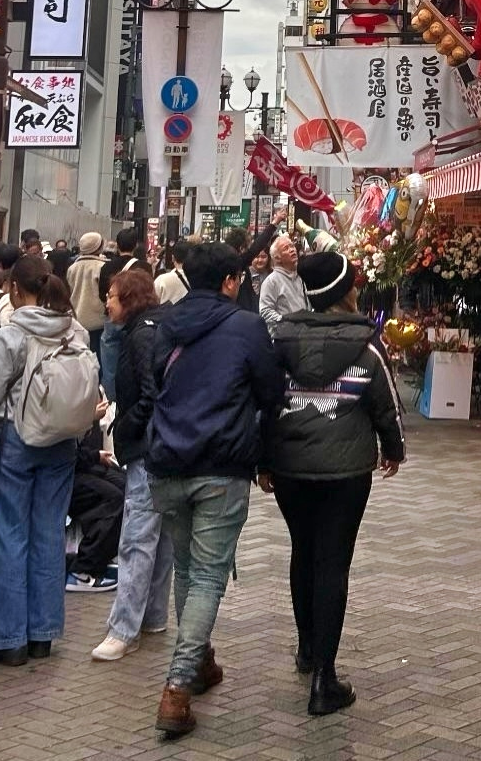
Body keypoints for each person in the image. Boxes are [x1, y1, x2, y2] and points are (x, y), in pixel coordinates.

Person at [146, 243, 283, 737]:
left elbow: (151, 386)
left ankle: (199, 663)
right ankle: (178, 688)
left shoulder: (166, 323)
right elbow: (271, 392)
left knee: (187, 569)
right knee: (206, 577)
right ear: (229, 281)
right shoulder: (246, 326)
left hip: (167, 461)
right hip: (221, 463)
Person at [260, 250, 405, 716]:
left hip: (289, 468)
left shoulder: (280, 343)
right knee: (333, 562)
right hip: (346, 472)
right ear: (345, 292)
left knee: (303, 551)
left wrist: (262, 458)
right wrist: (394, 449)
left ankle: (306, 649)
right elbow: (387, 407)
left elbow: (262, 401)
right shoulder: (367, 346)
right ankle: (325, 677)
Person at [0, 255, 93, 665]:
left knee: (8, 533)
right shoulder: (75, 332)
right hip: (61, 441)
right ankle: (42, 633)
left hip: (17, 438)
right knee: (48, 532)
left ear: (15, 289)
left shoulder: (11, 335)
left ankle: (5, 640)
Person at [91, 270, 173, 662]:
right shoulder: (154, 327)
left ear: (130, 299)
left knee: (137, 537)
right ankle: (153, 615)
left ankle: (124, 628)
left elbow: (149, 393)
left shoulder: (141, 335)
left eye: (112, 295)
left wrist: (128, 424)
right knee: (162, 537)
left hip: (146, 447)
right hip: (166, 447)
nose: (107, 303)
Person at [65, 416, 124, 593]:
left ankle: (104, 556)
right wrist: (89, 417)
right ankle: (83, 569)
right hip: (66, 467)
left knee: (127, 486)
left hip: (81, 460)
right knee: (113, 499)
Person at [98, 228, 148, 400]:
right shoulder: (143, 266)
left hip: (112, 319)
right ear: (135, 245)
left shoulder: (107, 266)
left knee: (109, 364)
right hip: (136, 319)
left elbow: (100, 294)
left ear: (117, 244)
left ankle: (110, 400)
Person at [223, 212, 283, 313]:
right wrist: (274, 223)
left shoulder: (222, 263)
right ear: (242, 248)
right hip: (240, 314)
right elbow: (257, 247)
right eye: (248, 246)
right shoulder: (237, 263)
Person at [67, 232, 107, 360]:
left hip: (76, 320)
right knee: (96, 358)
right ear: (98, 247)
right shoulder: (102, 267)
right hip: (98, 321)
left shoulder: (72, 268)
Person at [258, 234, 308, 327]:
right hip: (285, 336)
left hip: (305, 333)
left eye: (292, 246)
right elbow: (265, 311)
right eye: (286, 248)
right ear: (277, 258)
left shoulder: (302, 275)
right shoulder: (271, 281)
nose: (292, 250)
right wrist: (285, 322)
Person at [153, 239, 193, 305]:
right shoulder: (197, 279)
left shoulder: (162, 280)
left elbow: (152, 303)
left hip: (166, 314)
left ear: (173, 258)